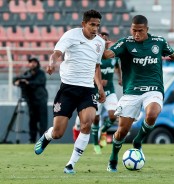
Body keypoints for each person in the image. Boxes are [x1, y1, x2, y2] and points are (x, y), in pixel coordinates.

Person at [102, 15, 174, 172]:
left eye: (140, 31)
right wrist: (103, 47)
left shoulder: (158, 42)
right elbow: (107, 55)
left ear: (147, 29)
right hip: (131, 92)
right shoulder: (125, 43)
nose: (136, 34)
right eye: (134, 30)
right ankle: (113, 157)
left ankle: (138, 141)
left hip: (153, 89)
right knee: (122, 131)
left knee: (152, 114)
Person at [33, 9, 106, 174]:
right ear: (83, 24)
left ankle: (70, 165)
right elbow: (57, 52)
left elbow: (96, 66)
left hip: (87, 89)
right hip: (68, 88)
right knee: (58, 132)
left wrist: (100, 87)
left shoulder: (100, 43)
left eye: (97, 25)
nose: (95, 28)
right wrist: (52, 63)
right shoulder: (71, 35)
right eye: (92, 25)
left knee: (87, 124)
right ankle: (47, 136)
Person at [73, 32, 122, 154]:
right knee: (95, 118)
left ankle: (104, 130)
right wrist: (98, 82)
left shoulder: (113, 56)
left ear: (108, 41)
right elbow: (88, 72)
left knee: (113, 115)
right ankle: (96, 144)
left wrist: (120, 78)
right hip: (95, 91)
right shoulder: (94, 55)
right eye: (102, 39)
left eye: (106, 39)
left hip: (110, 90)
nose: (104, 41)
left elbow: (117, 67)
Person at [13, 57, 48, 143]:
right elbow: (16, 79)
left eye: (34, 62)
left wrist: (28, 82)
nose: (32, 64)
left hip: (41, 100)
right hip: (31, 101)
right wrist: (17, 82)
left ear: (37, 64)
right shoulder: (27, 73)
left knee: (42, 121)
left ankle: (43, 140)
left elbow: (39, 82)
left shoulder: (41, 73)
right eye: (31, 62)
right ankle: (32, 139)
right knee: (32, 121)